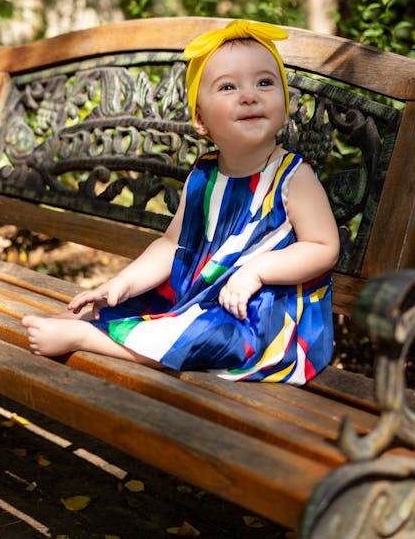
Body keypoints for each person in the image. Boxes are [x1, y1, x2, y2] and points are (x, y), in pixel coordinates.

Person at [22, 19, 339, 383]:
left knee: (209, 336)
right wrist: (121, 284)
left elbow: (323, 247)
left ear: (284, 106)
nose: (249, 95)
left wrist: (256, 271)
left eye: (265, 83)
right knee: (130, 302)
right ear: (201, 120)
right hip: (203, 296)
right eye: (228, 86)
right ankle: (90, 322)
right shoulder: (203, 174)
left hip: (261, 316)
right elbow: (172, 245)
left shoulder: (293, 177)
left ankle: (86, 339)